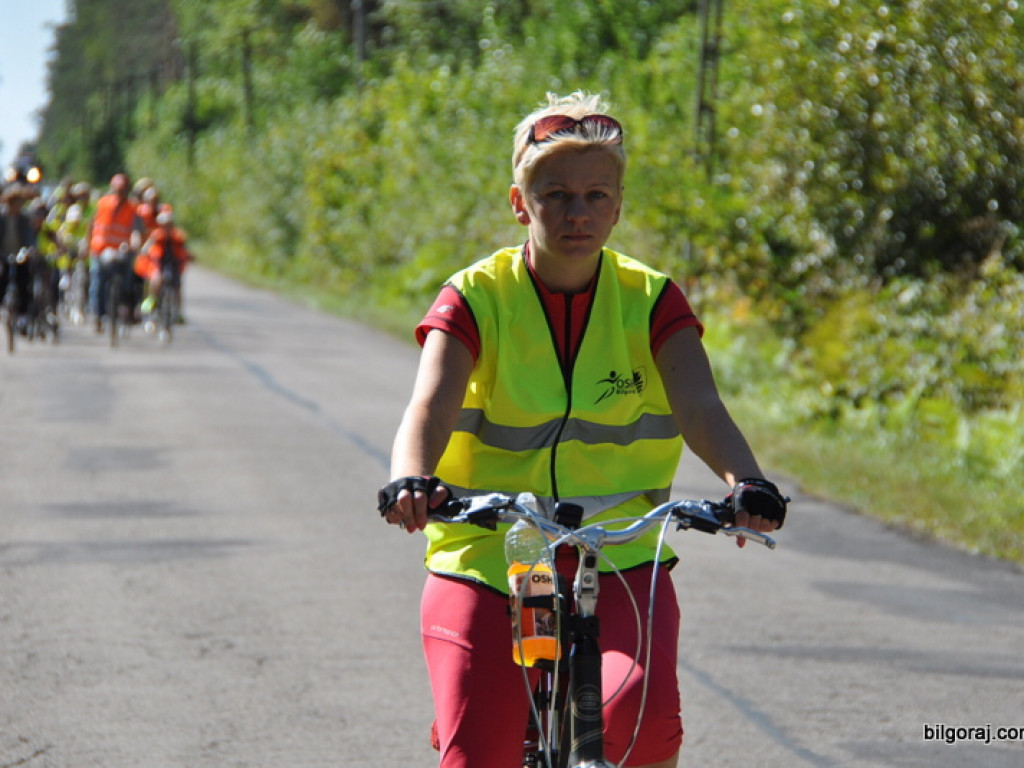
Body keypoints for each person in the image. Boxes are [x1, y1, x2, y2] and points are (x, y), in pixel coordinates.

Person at [376, 91, 788, 768]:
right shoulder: (475, 297)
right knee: (479, 751)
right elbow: (428, 407)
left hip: (619, 558)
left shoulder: (651, 298)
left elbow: (701, 407)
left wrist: (749, 483)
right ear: (519, 203)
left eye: (598, 195)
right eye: (556, 194)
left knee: (643, 727)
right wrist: (410, 480)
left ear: (619, 205)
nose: (578, 213)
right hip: (489, 554)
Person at [87, 173, 143, 332]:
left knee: (128, 280)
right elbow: (90, 224)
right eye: (118, 190)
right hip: (100, 249)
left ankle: (126, 308)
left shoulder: (133, 208)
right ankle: (98, 315)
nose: (121, 193)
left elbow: (136, 231)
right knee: (98, 281)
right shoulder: (102, 203)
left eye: (124, 190)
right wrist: (87, 245)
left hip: (121, 251)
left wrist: (135, 244)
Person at [135, 203, 190, 323]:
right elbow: (147, 246)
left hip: (173, 264)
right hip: (158, 264)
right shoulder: (156, 235)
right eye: (165, 225)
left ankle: (178, 311)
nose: (167, 227)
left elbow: (185, 249)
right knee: (156, 280)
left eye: (169, 224)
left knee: (177, 286)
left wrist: (188, 256)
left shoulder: (178, 236)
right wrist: (144, 251)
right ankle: (151, 302)